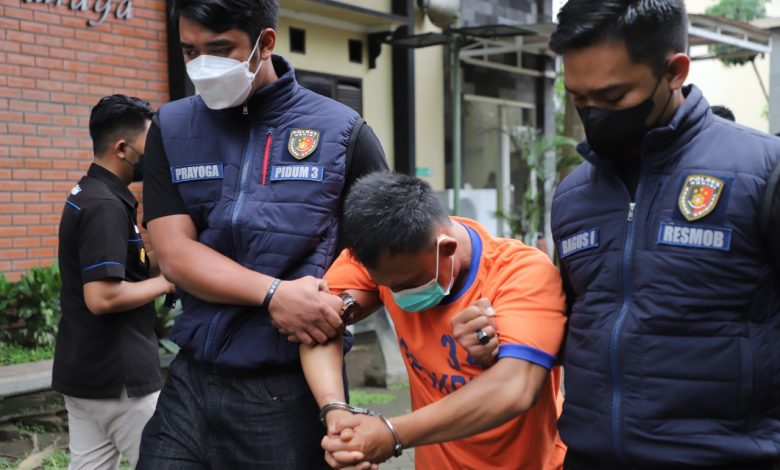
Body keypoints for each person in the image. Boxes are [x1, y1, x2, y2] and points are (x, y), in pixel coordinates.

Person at [136, 0, 388, 467]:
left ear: (264, 43)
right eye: (189, 51)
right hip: (190, 380)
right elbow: (173, 254)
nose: (201, 65)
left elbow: (387, 256)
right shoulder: (171, 127)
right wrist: (274, 294)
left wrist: (335, 309)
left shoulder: (342, 132)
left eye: (219, 48)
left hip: (285, 388)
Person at [549, 1, 780, 468]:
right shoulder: (573, 195)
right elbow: (579, 323)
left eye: (613, 99)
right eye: (579, 99)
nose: (595, 116)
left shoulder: (763, 171)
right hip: (590, 458)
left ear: (675, 71)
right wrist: (498, 335)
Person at [302, 172, 567, 470]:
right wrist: (336, 412)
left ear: (447, 249)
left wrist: (391, 434)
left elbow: (514, 388)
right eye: (386, 286)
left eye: (407, 283)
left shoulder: (522, 272)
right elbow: (315, 323)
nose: (398, 294)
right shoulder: (382, 253)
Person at [53, 94, 175, 469]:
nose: (154, 152)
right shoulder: (104, 205)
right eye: (149, 143)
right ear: (123, 148)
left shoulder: (91, 193)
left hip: (86, 372)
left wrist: (174, 257)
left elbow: (131, 270)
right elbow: (102, 296)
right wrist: (170, 281)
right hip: (119, 378)